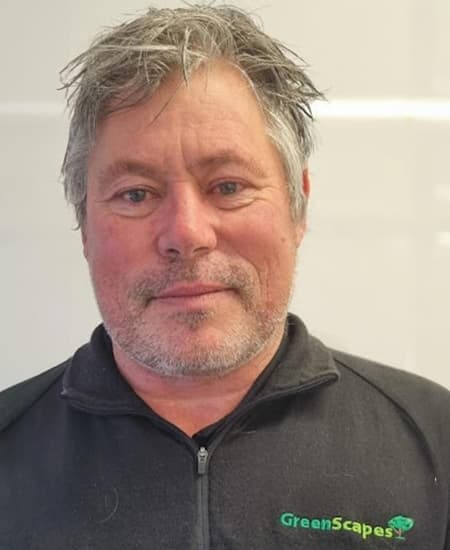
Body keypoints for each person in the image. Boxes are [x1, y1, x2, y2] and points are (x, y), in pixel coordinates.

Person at [0, 5, 449, 549]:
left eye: (229, 187)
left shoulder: (435, 442)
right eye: (136, 194)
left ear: (298, 205)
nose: (186, 233)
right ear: (84, 224)